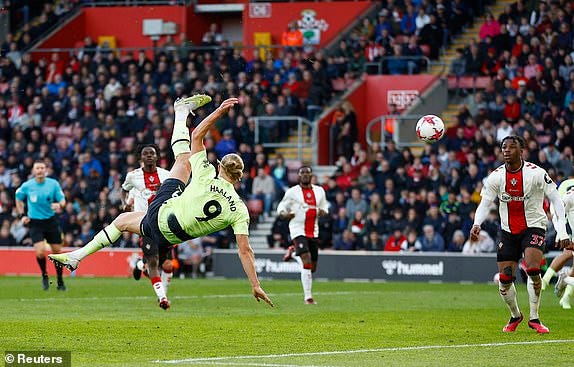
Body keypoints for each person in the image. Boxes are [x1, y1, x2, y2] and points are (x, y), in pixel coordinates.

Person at [49, 95, 273, 309]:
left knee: (183, 161)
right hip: (173, 236)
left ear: (219, 167)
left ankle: (181, 110)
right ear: (241, 176)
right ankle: (77, 258)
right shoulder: (240, 210)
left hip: (161, 215)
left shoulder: (206, 175)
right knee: (126, 220)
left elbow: (196, 136)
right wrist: (255, 285)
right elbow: (245, 251)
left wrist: (220, 111)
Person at [470, 135, 571, 334]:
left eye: (511, 147)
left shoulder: (536, 173)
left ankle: (535, 318)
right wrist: (476, 223)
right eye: (503, 147)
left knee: (533, 269)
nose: (506, 150)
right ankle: (516, 315)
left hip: (534, 226)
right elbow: (485, 203)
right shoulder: (496, 177)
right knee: (505, 278)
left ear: (521, 150)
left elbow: (555, 199)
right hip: (508, 231)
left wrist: (561, 230)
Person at [121, 144, 171, 292]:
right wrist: (125, 205)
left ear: (157, 157)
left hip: (163, 222)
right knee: (156, 262)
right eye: (145, 154)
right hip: (144, 223)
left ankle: (140, 266)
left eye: (152, 153)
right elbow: (124, 190)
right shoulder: (133, 176)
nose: (149, 156)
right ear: (140, 158)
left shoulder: (167, 175)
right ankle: (162, 294)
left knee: (163, 262)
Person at [277, 166, 329, 304]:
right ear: (298, 176)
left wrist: (324, 211)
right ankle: (308, 297)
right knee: (306, 261)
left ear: (311, 175)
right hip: (297, 229)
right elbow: (281, 206)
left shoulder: (319, 191)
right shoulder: (292, 192)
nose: (305, 175)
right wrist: (284, 214)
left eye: (307, 172)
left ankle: (294, 252)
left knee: (312, 268)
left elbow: (325, 207)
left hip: (313, 231)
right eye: (302, 173)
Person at [15, 161, 67, 291]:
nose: (40, 170)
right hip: (35, 222)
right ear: (33, 171)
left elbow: (63, 200)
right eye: (37, 168)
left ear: (46, 170)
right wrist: (22, 215)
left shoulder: (53, 184)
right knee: (40, 252)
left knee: (57, 252)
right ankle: (44, 275)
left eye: (42, 168)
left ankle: (60, 280)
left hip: (50, 221)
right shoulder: (27, 186)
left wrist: (59, 205)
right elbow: (18, 198)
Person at [542, 178, 574, 309]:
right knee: (567, 253)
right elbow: (557, 205)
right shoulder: (569, 191)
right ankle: (547, 280)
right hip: (567, 225)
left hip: (566, 223)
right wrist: (562, 233)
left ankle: (565, 290)